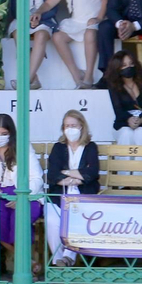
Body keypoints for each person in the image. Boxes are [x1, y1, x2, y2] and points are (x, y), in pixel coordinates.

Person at [31, 0, 107, 89]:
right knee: (58, 37)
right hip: (76, 21)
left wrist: (99, 18)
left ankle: (89, 76)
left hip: (93, 19)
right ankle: (77, 77)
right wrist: (38, 12)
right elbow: (49, 3)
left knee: (90, 33)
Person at [44, 110, 100, 265]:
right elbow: (53, 175)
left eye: (73, 125)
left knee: (77, 218)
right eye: (67, 125)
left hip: (84, 195)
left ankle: (68, 257)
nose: (70, 129)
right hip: (58, 196)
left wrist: (67, 173)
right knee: (52, 221)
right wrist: (75, 176)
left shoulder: (90, 147)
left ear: (82, 126)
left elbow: (92, 173)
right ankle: (58, 261)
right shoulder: (58, 147)